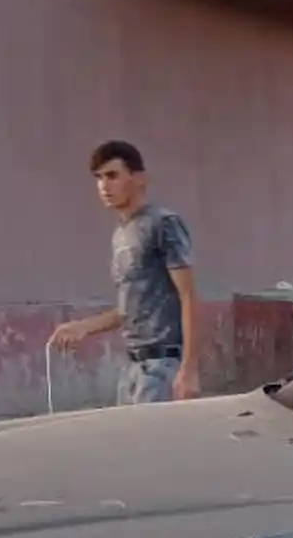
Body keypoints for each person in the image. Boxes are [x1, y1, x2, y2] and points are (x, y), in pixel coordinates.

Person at [50, 140, 201, 403]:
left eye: (112, 175)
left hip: (163, 367)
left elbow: (188, 296)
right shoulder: (120, 235)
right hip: (131, 369)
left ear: (139, 178)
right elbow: (128, 310)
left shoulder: (163, 224)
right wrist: (82, 327)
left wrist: (189, 369)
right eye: (98, 178)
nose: (104, 186)